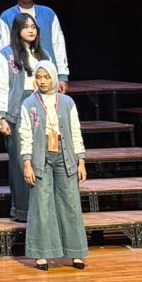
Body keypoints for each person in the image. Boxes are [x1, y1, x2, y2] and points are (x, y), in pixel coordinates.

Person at [19, 65, 89, 271]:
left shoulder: (67, 102)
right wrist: (27, 162)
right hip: (40, 156)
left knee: (70, 202)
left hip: (65, 154)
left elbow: (75, 131)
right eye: (39, 77)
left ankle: (75, 252)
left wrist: (81, 160)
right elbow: (25, 134)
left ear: (53, 79)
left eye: (46, 77)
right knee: (41, 204)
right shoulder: (29, 103)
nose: (42, 81)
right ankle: (41, 253)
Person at [0, 13, 51, 220]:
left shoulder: (43, 54)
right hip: (18, 109)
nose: (31, 30)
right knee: (21, 161)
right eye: (26, 26)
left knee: (42, 158)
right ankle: (22, 210)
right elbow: (1, 86)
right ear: (17, 30)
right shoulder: (7, 54)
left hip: (42, 106)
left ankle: (43, 209)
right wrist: (2, 117)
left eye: (33, 27)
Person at [0, 0, 70, 86]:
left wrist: (62, 75)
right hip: (20, 79)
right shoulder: (6, 17)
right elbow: (3, 51)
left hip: (48, 76)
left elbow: (58, 45)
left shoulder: (48, 14)